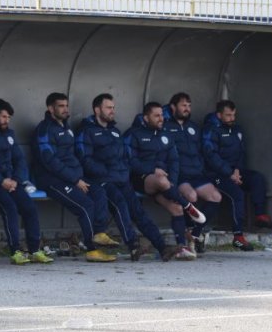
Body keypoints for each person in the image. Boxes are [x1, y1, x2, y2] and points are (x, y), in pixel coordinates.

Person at [77, 94, 172, 262]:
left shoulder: (115, 131)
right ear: (97, 109)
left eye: (113, 107)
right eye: (108, 107)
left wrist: (124, 172)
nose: (112, 110)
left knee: (139, 212)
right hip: (103, 180)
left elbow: (124, 158)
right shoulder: (86, 131)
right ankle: (133, 245)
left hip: (122, 178)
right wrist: (105, 172)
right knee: (120, 204)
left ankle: (162, 247)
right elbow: (85, 159)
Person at [33, 92, 117, 262]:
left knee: (99, 192)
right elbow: (50, 162)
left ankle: (99, 234)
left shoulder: (66, 127)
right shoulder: (44, 130)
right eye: (61, 106)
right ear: (50, 108)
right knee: (85, 205)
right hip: (51, 180)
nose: (65, 109)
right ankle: (92, 250)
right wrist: (74, 179)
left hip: (72, 178)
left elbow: (72, 157)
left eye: (66, 105)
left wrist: (79, 177)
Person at [125, 102, 205, 260]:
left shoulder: (166, 135)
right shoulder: (133, 134)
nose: (161, 118)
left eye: (162, 115)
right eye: (156, 115)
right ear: (146, 118)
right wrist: (151, 170)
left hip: (165, 184)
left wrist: (172, 183)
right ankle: (187, 204)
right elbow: (130, 161)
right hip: (141, 180)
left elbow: (174, 161)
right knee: (162, 180)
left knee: (176, 208)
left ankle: (182, 248)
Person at [203, 99, 272, 246]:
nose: (232, 118)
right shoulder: (210, 131)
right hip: (216, 177)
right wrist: (229, 173)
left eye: (233, 115)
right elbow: (211, 156)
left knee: (257, 179)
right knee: (237, 194)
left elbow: (241, 153)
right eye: (228, 115)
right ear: (219, 115)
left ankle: (260, 216)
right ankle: (238, 236)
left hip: (235, 173)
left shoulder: (237, 130)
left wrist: (237, 171)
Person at [0, 99, 52, 265]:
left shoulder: (10, 134)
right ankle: (15, 251)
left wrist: (16, 180)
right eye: (3, 117)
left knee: (29, 208)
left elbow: (19, 160)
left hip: (13, 182)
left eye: (8, 117)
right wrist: (2, 181)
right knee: (10, 208)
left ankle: (35, 250)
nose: (6, 121)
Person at [164, 93, 223, 255]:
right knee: (191, 197)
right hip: (179, 175)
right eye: (183, 105)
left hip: (196, 173)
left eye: (189, 106)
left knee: (216, 197)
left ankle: (195, 233)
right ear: (173, 107)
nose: (187, 109)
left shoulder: (194, 127)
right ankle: (186, 236)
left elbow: (201, 151)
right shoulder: (166, 127)